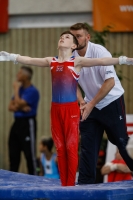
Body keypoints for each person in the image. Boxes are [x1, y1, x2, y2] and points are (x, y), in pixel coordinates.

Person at [0, 31, 132, 186]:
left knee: (70, 147)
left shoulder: (77, 61)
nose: (62, 38)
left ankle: (70, 185)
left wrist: (124, 60)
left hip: (70, 111)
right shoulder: (52, 61)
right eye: (61, 37)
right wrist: (10, 56)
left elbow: (102, 61)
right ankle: (64, 185)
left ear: (74, 45)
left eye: (67, 37)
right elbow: (29, 60)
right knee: (60, 148)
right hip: (55, 110)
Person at [70, 23, 133, 184]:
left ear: (88, 37)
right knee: (87, 145)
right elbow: (71, 81)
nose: (75, 40)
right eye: (73, 36)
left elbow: (110, 82)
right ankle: (85, 183)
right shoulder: (71, 56)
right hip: (90, 103)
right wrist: (82, 101)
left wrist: (90, 104)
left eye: (79, 36)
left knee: (120, 141)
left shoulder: (99, 52)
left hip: (111, 100)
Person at [8, 66, 39, 175]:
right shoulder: (21, 90)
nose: (17, 75)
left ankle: (34, 178)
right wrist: (21, 106)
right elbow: (10, 107)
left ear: (26, 77)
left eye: (20, 73)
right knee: (13, 154)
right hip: (17, 123)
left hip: (27, 124)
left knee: (29, 155)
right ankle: (12, 180)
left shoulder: (32, 91)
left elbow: (18, 103)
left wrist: (16, 90)